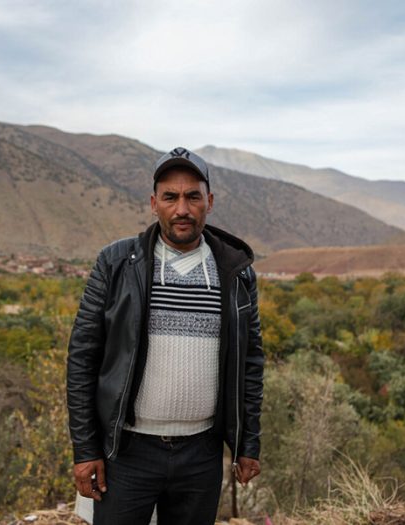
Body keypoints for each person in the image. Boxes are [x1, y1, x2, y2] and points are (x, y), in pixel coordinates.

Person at [67, 147, 264, 525]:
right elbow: (82, 360)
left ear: (210, 201)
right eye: (170, 197)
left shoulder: (236, 273)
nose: (182, 209)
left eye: (193, 196)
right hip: (127, 453)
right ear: (153, 203)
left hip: (202, 455)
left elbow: (251, 362)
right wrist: (85, 450)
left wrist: (247, 444)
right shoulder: (116, 263)